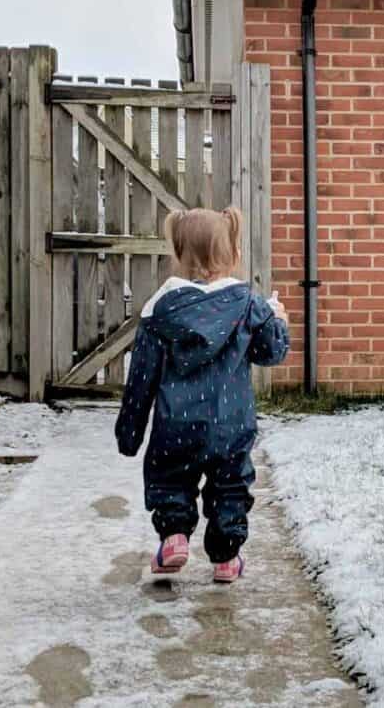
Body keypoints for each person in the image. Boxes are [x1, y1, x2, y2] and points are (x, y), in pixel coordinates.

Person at [114, 207, 289, 584]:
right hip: (231, 425)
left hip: (175, 425)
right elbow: (269, 353)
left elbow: (141, 378)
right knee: (230, 486)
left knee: (171, 481)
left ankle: (174, 537)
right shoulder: (249, 306)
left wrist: (129, 433)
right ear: (234, 253)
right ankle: (226, 558)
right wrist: (277, 322)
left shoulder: (159, 310)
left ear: (178, 255)